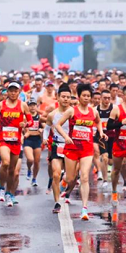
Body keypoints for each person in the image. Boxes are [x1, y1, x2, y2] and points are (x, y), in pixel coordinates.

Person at [56, 84, 104, 220]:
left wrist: (101, 132)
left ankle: (84, 208)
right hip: (72, 148)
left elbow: (98, 122)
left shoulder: (94, 112)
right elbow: (58, 124)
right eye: (84, 96)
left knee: (84, 177)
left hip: (86, 149)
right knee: (71, 178)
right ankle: (66, 187)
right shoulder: (71, 111)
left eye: (89, 96)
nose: (87, 98)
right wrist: (66, 137)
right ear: (79, 96)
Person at [0, 82, 31, 206]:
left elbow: (30, 120)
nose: (13, 93)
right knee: (6, 162)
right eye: (11, 91)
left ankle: (9, 193)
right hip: (3, 138)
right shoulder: (0, 105)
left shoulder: (23, 105)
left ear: (19, 92)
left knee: (12, 170)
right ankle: (1, 189)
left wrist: (25, 125)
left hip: (16, 140)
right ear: (7, 92)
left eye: (15, 91)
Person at [44, 84, 71, 213]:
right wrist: (44, 138)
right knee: (56, 174)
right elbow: (47, 127)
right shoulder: (52, 114)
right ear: (58, 98)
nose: (66, 99)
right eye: (63, 97)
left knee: (70, 177)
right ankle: (57, 202)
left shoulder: (73, 113)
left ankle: (65, 185)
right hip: (57, 145)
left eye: (68, 97)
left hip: (71, 147)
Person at [23, 99, 43, 187]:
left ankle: (34, 178)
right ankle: (28, 169)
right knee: (30, 159)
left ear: (36, 106)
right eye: (30, 105)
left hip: (37, 140)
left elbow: (45, 127)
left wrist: (41, 130)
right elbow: (27, 133)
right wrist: (37, 132)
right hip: (28, 140)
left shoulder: (40, 117)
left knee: (37, 161)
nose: (32, 107)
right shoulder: (25, 118)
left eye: (34, 105)